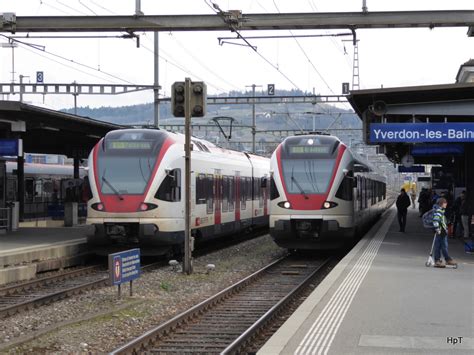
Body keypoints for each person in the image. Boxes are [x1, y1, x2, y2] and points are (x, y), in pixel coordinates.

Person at [432, 197, 456, 268]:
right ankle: (444, 260)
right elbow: (435, 220)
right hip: (440, 231)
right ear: (442, 204)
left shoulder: (441, 211)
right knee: (442, 246)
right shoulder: (439, 211)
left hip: (442, 231)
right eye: (445, 203)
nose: (446, 204)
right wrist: (437, 229)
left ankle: (440, 260)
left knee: (440, 246)